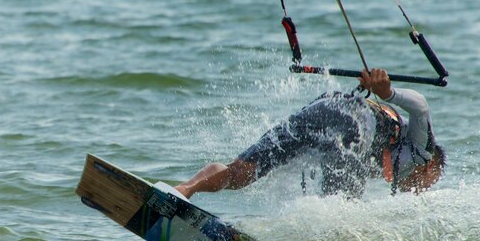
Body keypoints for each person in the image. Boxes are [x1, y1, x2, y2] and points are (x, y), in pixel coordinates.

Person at [175, 68, 445, 199]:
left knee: (240, 172)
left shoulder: (391, 155)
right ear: (432, 164)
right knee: (339, 210)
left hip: (324, 106)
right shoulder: (422, 152)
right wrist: (388, 93)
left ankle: (185, 189)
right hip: (354, 123)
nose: (421, 188)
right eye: (430, 180)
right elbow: (420, 107)